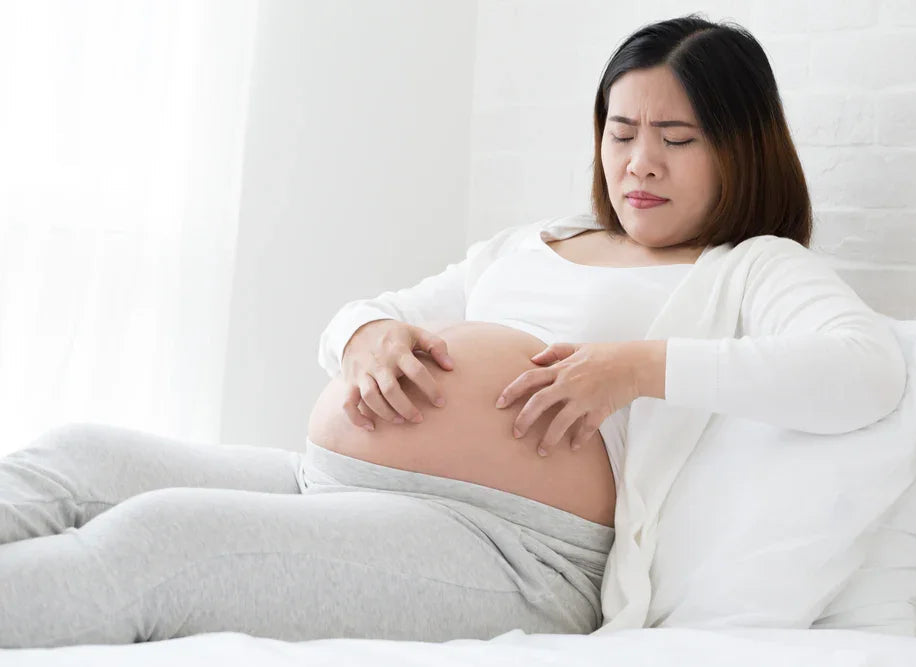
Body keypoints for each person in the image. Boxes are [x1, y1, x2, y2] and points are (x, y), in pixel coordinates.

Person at [0, 15, 820, 647]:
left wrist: (636, 369)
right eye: (621, 131)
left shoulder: (751, 267)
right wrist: (367, 336)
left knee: (158, 545)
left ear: (741, 150)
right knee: (76, 458)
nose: (640, 161)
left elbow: (861, 369)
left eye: (676, 139)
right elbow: (369, 312)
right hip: (332, 483)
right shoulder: (532, 241)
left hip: (511, 549)